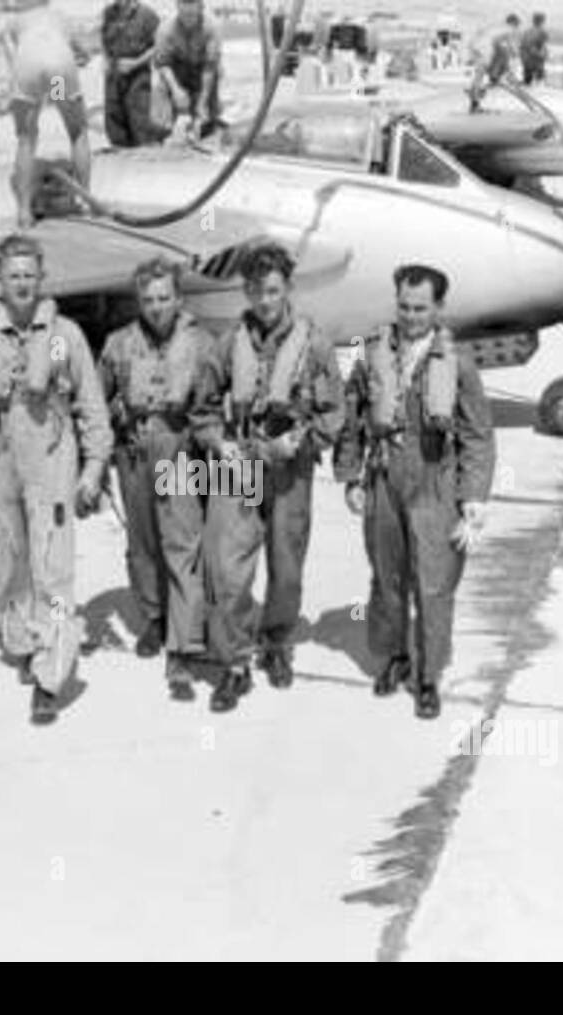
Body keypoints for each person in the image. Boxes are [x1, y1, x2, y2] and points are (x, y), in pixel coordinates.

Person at [0, 234, 113, 725]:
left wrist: (95, 468)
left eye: (29, 275)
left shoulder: (65, 336)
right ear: (0, 279)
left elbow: (92, 406)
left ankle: (50, 676)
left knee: (53, 569)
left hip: (52, 460)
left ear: (42, 279)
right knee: (11, 561)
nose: (21, 283)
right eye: (13, 275)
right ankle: (22, 641)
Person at [191, 242, 345, 713]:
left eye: (273, 290)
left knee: (287, 567)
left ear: (287, 289)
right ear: (246, 291)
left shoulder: (314, 344)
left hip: (288, 471)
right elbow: (201, 410)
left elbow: (334, 413)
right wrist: (222, 446)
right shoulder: (226, 342)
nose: (264, 301)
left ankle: (276, 641)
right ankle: (235, 662)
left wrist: (301, 443)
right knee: (226, 569)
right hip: (239, 466)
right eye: (256, 291)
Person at [335, 265, 495, 720]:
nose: (410, 316)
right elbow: (353, 418)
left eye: (420, 308)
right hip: (384, 478)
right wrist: (350, 477)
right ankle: (393, 658)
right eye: (403, 306)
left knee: (433, 584)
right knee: (387, 580)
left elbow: (477, 434)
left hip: (435, 483)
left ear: (438, 308)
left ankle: (427, 677)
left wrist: (474, 500)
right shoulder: (372, 355)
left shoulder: (457, 361)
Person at [97, 257, 214, 700]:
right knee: (142, 545)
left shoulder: (202, 344)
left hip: (178, 451)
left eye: (164, 298)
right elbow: (96, 397)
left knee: (181, 546)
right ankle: (154, 616)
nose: (157, 306)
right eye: (148, 299)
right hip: (133, 452)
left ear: (179, 298)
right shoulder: (118, 344)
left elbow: (214, 403)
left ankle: (182, 649)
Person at [0, 0, 91, 227]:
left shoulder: (13, 23)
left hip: (27, 69)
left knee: (26, 139)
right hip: (58, 72)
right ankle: (85, 201)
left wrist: (26, 96)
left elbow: (13, 60)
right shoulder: (59, 18)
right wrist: (80, 60)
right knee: (77, 131)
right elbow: (80, 52)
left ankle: (24, 212)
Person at [153, 0, 224, 141]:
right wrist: (176, 90)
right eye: (184, 15)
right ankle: (164, 128)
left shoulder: (212, 27)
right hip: (176, 71)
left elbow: (209, 68)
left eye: (192, 15)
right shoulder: (165, 28)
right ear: (178, 8)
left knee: (206, 123)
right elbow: (162, 64)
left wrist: (202, 102)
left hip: (202, 71)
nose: (188, 20)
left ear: (201, 8)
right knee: (160, 92)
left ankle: (206, 120)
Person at [101, 0, 165, 147]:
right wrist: (106, 61)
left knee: (139, 123)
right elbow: (104, 41)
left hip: (138, 73)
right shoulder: (109, 13)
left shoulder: (147, 15)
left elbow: (160, 45)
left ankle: (152, 146)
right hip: (114, 73)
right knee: (114, 124)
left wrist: (135, 63)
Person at [468, 13, 521, 112]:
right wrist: (514, 55)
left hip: (475, 46)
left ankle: (474, 102)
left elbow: (492, 40)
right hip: (484, 48)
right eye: (517, 25)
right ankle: (495, 77)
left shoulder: (499, 27)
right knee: (501, 55)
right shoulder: (508, 29)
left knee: (479, 75)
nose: (517, 28)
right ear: (513, 23)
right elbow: (509, 47)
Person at [520, 12, 549, 86]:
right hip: (537, 58)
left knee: (527, 80)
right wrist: (544, 55)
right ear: (542, 21)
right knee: (539, 79)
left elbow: (522, 46)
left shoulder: (527, 31)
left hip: (527, 58)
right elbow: (542, 45)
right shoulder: (542, 32)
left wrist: (523, 57)